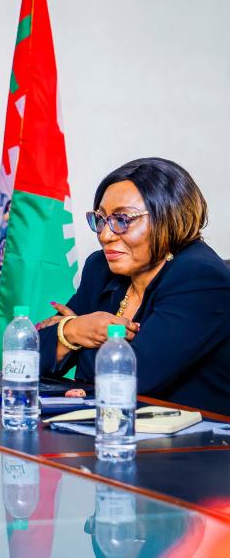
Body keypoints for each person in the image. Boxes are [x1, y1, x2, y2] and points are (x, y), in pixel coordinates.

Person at [37, 158, 230, 414]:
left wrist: (69, 338)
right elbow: (29, 358)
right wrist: (74, 330)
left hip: (199, 442)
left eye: (122, 219)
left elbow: (132, 380)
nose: (105, 235)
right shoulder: (100, 268)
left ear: (169, 217)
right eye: (101, 219)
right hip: (113, 428)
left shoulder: (200, 277)